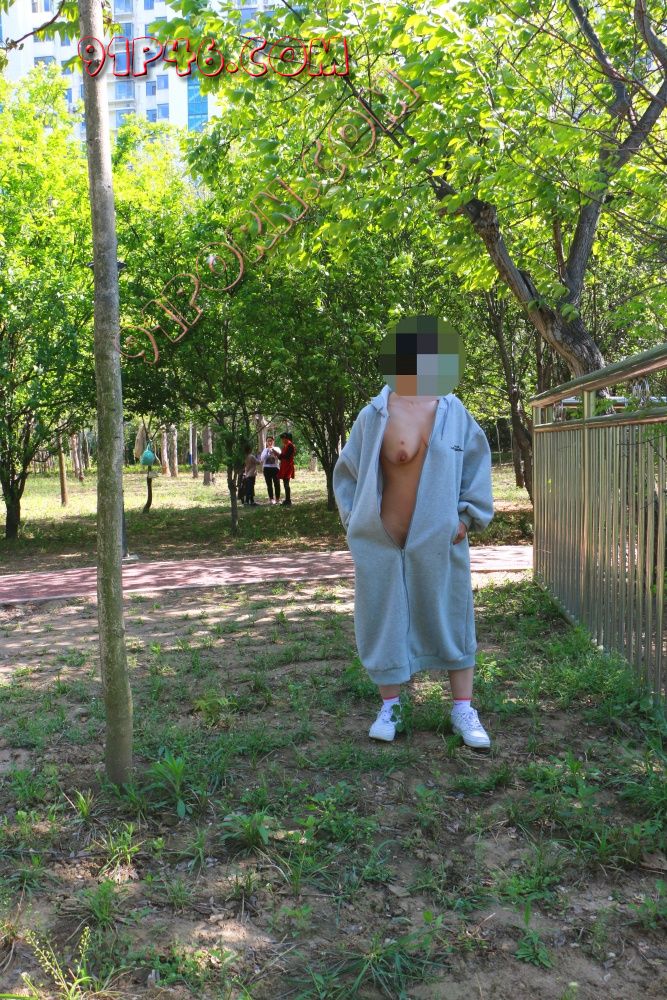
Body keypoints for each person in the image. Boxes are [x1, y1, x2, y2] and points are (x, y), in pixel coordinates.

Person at [332, 317, 494, 749]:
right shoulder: (374, 415)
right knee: (381, 618)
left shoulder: (455, 413)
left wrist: (467, 517)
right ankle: (391, 706)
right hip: (383, 542)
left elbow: (477, 465)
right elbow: (347, 473)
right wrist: (356, 522)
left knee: (452, 614)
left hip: (439, 540)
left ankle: (463, 708)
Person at [274, 431, 296, 507]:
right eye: (282, 439)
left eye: (283, 438)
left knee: (286, 484)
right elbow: (281, 457)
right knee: (285, 483)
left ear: (287, 438)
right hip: (284, 466)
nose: (282, 440)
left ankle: (288, 500)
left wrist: (277, 454)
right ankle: (287, 499)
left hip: (288, 467)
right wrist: (277, 454)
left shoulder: (290, 445)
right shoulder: (285, 446)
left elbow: (286, 456)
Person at [259, 435, 281, 505]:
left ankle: (277, 499)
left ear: (273, 441)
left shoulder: (277, 448)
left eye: (271, 441)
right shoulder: (265, 450)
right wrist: (268, 452)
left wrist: (273, 451)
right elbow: (262, 459)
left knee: (277, 484)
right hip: (267, 468)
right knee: (269, 484)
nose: (269, 442)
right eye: (268, 441)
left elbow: (280, 457)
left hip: (275, 468)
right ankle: (271, 499)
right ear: (266, 442)